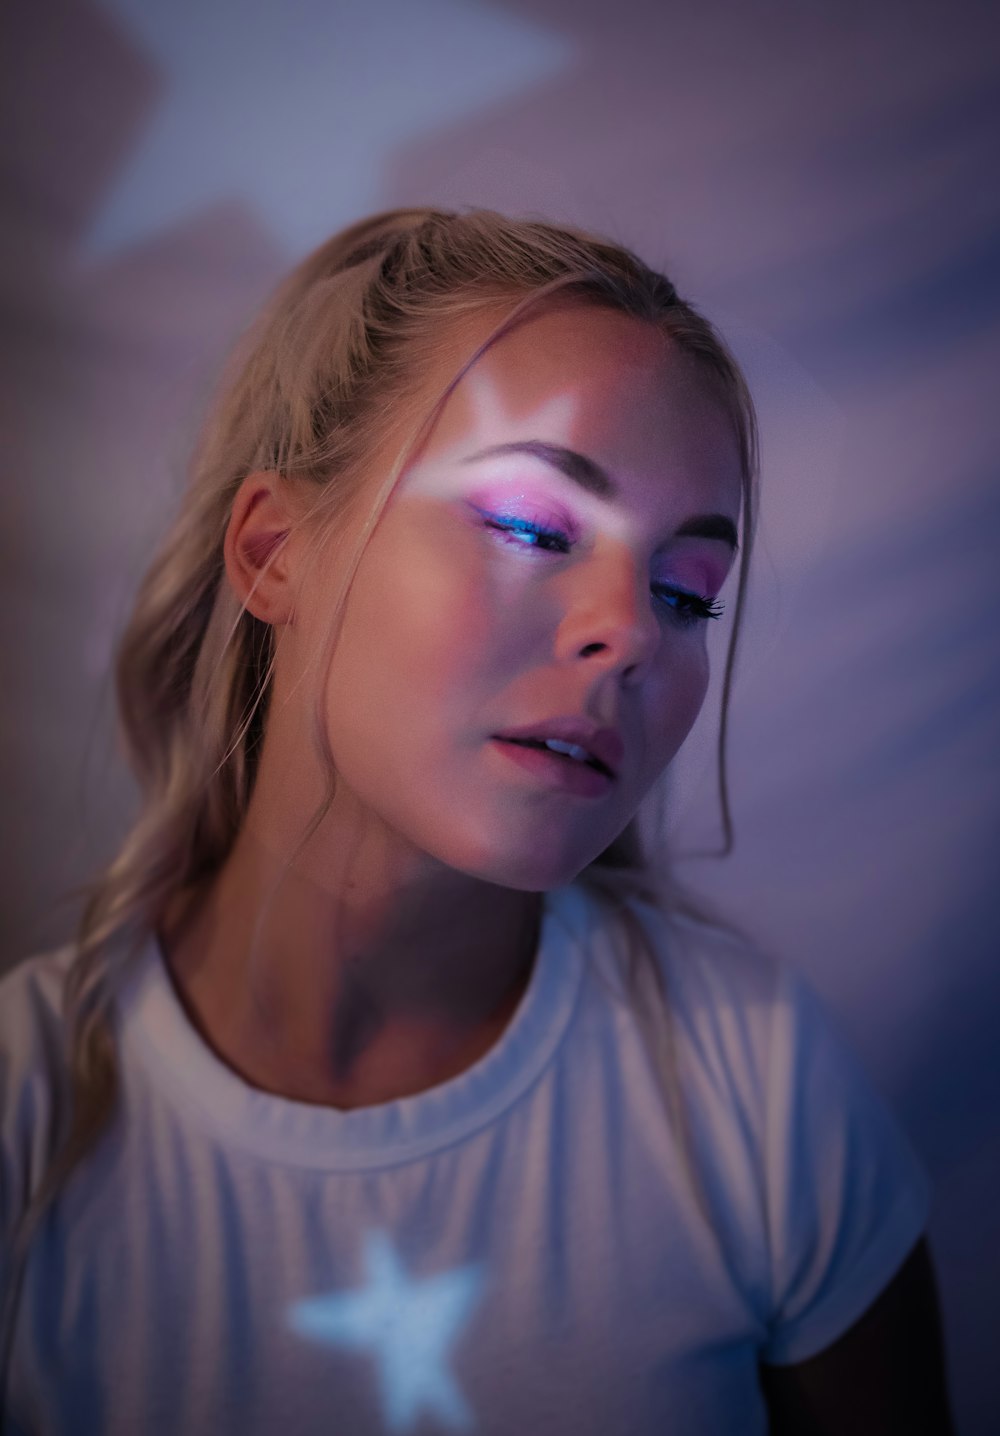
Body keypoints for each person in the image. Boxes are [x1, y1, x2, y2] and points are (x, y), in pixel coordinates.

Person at [0, 208, 954, 1435]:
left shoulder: (754, 1085)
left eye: (687, 591)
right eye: (529, 526)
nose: (631, 630)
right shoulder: (27, 1118)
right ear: (274, 550)